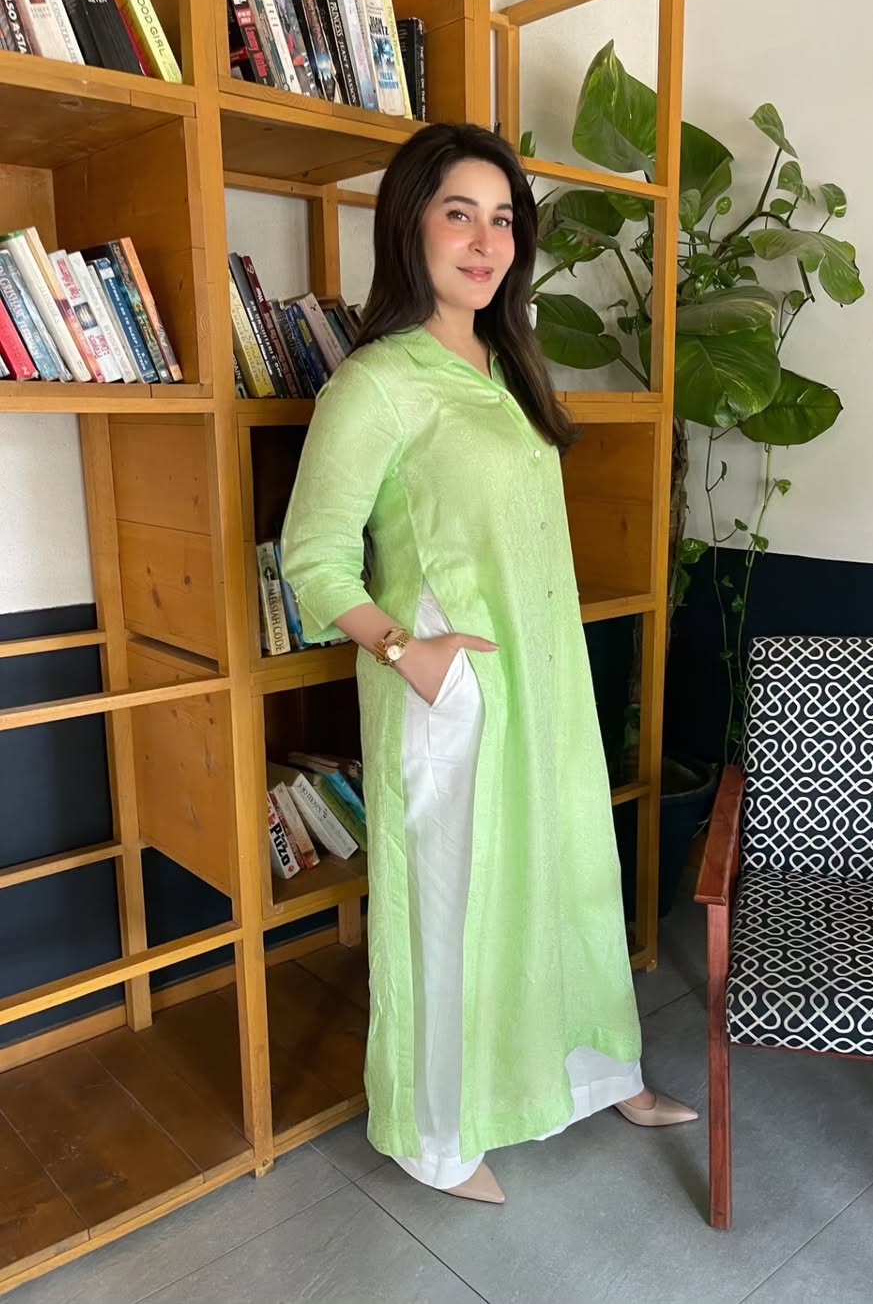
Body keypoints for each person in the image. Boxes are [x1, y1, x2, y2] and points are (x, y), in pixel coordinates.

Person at [280, 122, 697, 1206]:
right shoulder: (377, 382)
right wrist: (405, 650)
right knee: (456, 912)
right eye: (458, 213)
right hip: (451, 702)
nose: (484, 241)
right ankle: (439, 1133)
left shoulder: (506, 369)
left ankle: (595, 1073)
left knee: (568, 881)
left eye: (502, 219)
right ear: (409, 226)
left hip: (545, 689)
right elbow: (312, 557)